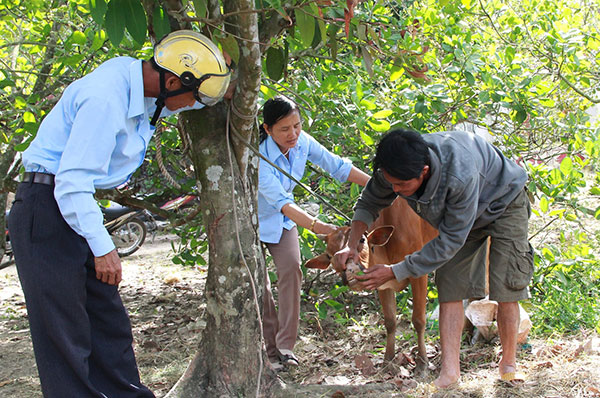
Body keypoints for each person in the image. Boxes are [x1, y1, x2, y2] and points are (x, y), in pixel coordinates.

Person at [7, 30, 231, 398]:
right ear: (172, 81)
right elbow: (72, 182)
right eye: (191, 95)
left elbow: (193, 99)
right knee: (64, 332)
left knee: (107, 321)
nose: (191, 104)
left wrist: (225, 80)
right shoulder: (105, 99)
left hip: (71, 206)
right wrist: (103, 248)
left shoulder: (141, 86)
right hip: (46, 208)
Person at [333, 129, 533, 388]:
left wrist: (395, 270)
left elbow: (449, 241)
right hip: (459, 217)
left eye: (402, 186)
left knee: (506, 285)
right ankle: (449, 374)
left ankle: (508, 365)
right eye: (391, 183)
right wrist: (351, 245)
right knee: (449, 285)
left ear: (424, 172)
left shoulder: (458, 175)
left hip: (503, 202)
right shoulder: (395, 167)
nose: (395, 190)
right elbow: (370, 201)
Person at [258, 96, 370, 370]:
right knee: (258, 284)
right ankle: (270, 349)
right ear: (267, 129)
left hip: (283, 222)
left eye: (296, 125)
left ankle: (286, 347)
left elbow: (338, 166)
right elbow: (282, 203)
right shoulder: (259, 157)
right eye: (284, 129)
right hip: (254, 219)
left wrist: (379, 187)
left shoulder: (302, 141)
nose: (292, 134)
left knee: (292, 270)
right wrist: (321, 228)